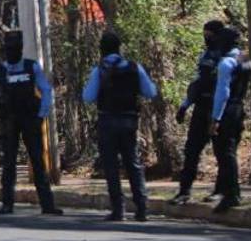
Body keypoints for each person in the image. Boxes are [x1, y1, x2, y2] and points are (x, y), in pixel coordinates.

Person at [82, 31, 158, 222]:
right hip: (129, 122)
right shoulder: (134, 67)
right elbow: (150, 91)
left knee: (111, 166)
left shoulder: (99, 70)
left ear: (102, 50)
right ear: (119, 48)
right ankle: (141, 208)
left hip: (107, 122)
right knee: (133, 163)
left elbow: (88, 97)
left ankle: (119, 209)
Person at [0, 31, 62, 216]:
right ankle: (7, 204)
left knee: (38, 161)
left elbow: (46, 90)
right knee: (8, 164)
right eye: (9, 49)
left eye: (15, 49)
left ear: (21, 49)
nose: (12, 52)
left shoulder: (31, 67)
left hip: (30, 119)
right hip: (9, 121)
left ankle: (47, 205)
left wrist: (41, 114)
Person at [172, 20, 226, 204]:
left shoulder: (228, 56)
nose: (206, 38)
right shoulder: (205, 55)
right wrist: (184, 105)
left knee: (221, 152)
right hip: (200, 108)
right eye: (205, 34)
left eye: (209, 34)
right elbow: (197, 83)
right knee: (191, 151)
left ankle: (220, 191)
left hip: (218, 109)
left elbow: (225, 88)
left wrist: (218, 115)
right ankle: (184, 191)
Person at [209, 26, 251, 214]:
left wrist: (215, 118)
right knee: (230, 151)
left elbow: (222, 93)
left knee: (224, 153)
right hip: (240, 107)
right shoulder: (245, 59)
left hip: (228, 109)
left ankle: (231, 194)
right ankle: (231, 192)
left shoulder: (226, 62)